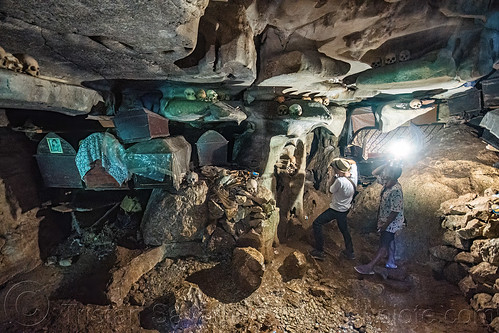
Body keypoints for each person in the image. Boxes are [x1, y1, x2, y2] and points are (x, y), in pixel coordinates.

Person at [354, 162, 404, 275]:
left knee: (384, 244)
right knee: (390, 240)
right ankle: (391, 262)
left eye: (388, 171)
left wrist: (385, 225)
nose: (384, 173)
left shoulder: (396, 190)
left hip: (392, 222)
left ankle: (370, 267)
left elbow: (395, 211)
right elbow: (374, 173)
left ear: (392, 175)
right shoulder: (387, 183)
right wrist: (386, 163)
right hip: (385, 219)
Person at [310, 157, 358, 260]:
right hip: (345, 210)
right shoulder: (353, 176)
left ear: (339, 171)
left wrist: (335, 177)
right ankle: (350, 252)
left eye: (335, 168)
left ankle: (319, 250)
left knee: (317, 223)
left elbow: (330, 190)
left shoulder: (340, 181)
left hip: (335, 210)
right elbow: (353, 162)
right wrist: (341, 160)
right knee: (344, 230)